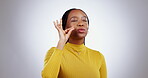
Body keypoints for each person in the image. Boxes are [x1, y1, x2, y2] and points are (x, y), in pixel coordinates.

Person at [41, 8, 107, 78]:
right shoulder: (54, 52)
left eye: (84, 20)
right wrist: (61, 42)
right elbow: (48, 76)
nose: (81, 24)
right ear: (65, 27)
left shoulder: (98, 56)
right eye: (74, 20)